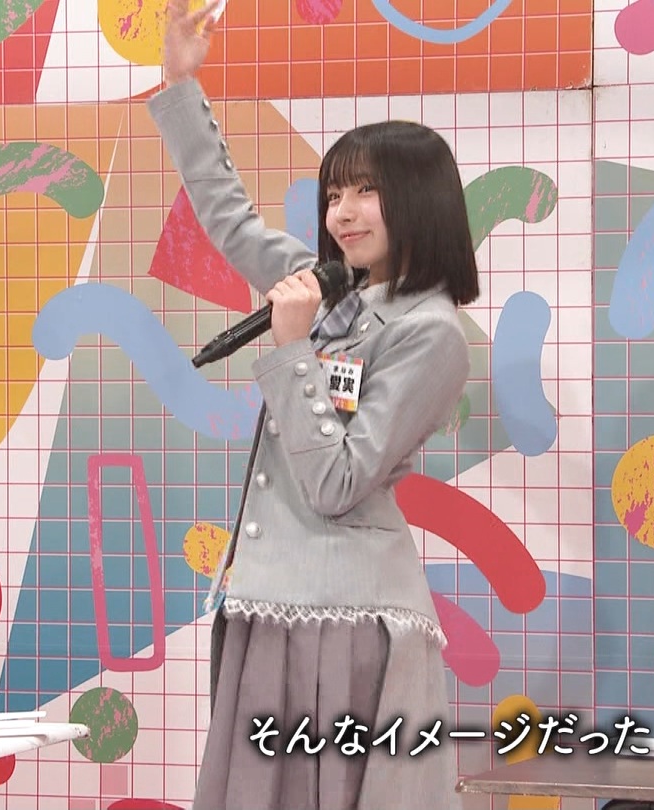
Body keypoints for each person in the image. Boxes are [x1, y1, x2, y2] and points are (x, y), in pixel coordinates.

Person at [148, 1, 480, 807]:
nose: (344, 212)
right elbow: (230, 218)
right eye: (336, 193)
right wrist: (180, 85)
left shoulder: (433, 333)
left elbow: (337, 483)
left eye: (368, 191)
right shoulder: (331, 290)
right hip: (270, 606)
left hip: (347, 621)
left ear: (421, 200)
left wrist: (292, 348)